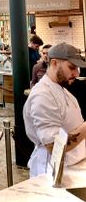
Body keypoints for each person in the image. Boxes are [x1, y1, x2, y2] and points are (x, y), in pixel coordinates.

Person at [23, 42, 86, 178]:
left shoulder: (61, 90)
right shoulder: (42, 95)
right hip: (53, 174)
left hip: (71, 168)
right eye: (71, 67)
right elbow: (54, 146)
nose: (76, 73)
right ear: (54, 63)